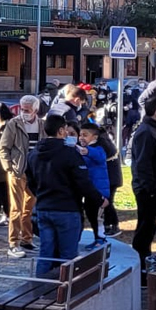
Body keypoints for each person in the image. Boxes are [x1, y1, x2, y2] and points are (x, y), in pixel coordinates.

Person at [26, 113, 102, 278]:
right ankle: (65, 289)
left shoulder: (34, 153)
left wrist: (41, 194)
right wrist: (98, 199)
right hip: (67, 209)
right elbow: (82, 182)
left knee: (45, 254)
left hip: (44, 207)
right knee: (67, 257)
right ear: (61, 131)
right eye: (66, 130)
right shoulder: (70, 153)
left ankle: (41, 287)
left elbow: (30, 181)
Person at [128, 84, 156, 257]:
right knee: (145, 227)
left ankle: (143, 259)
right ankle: (140, 261)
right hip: (147, 189)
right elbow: (143, 164)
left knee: (149, 226)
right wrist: (152, 190)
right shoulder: (146, 133)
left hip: (152, 187)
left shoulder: (152, 130)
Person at [74, 120, 111, 242]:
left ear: (94, 137)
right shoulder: (83, 150)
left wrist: (87, 151)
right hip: (90, 191)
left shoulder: (98, 149)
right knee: (90, 214)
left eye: (85, 135)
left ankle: (101, 239)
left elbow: (98, 156)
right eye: (80, 135)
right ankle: (97, 238)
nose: (81, 138)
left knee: (97, 217)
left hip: (99, 191)